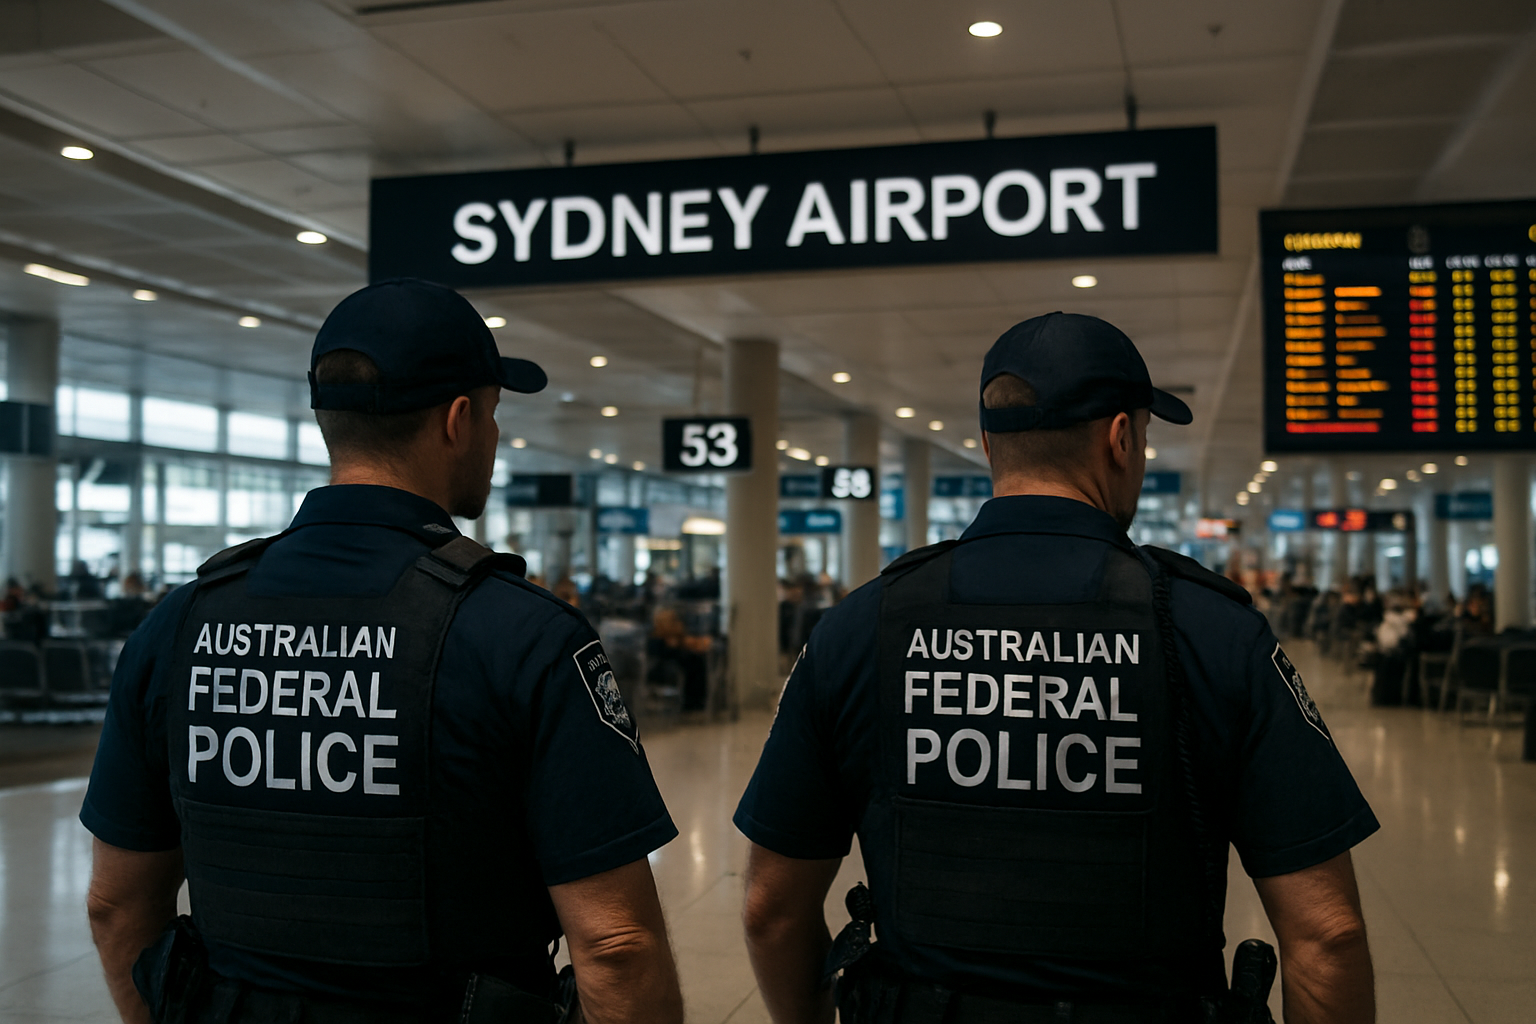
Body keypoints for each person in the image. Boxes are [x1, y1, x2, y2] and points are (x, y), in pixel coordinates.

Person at [735, 312, 1379, 1024]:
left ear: (988, 443)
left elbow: (771, 909)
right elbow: (1327, 934)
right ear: (1121, 438)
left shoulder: (859, 628)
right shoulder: (1213, 630)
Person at [81, 278, 684, 1024]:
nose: (494, 439)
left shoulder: (179, 623)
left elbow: (117, 906)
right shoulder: (523, 635)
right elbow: (617, 946)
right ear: (459, 421)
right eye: (494, 415)